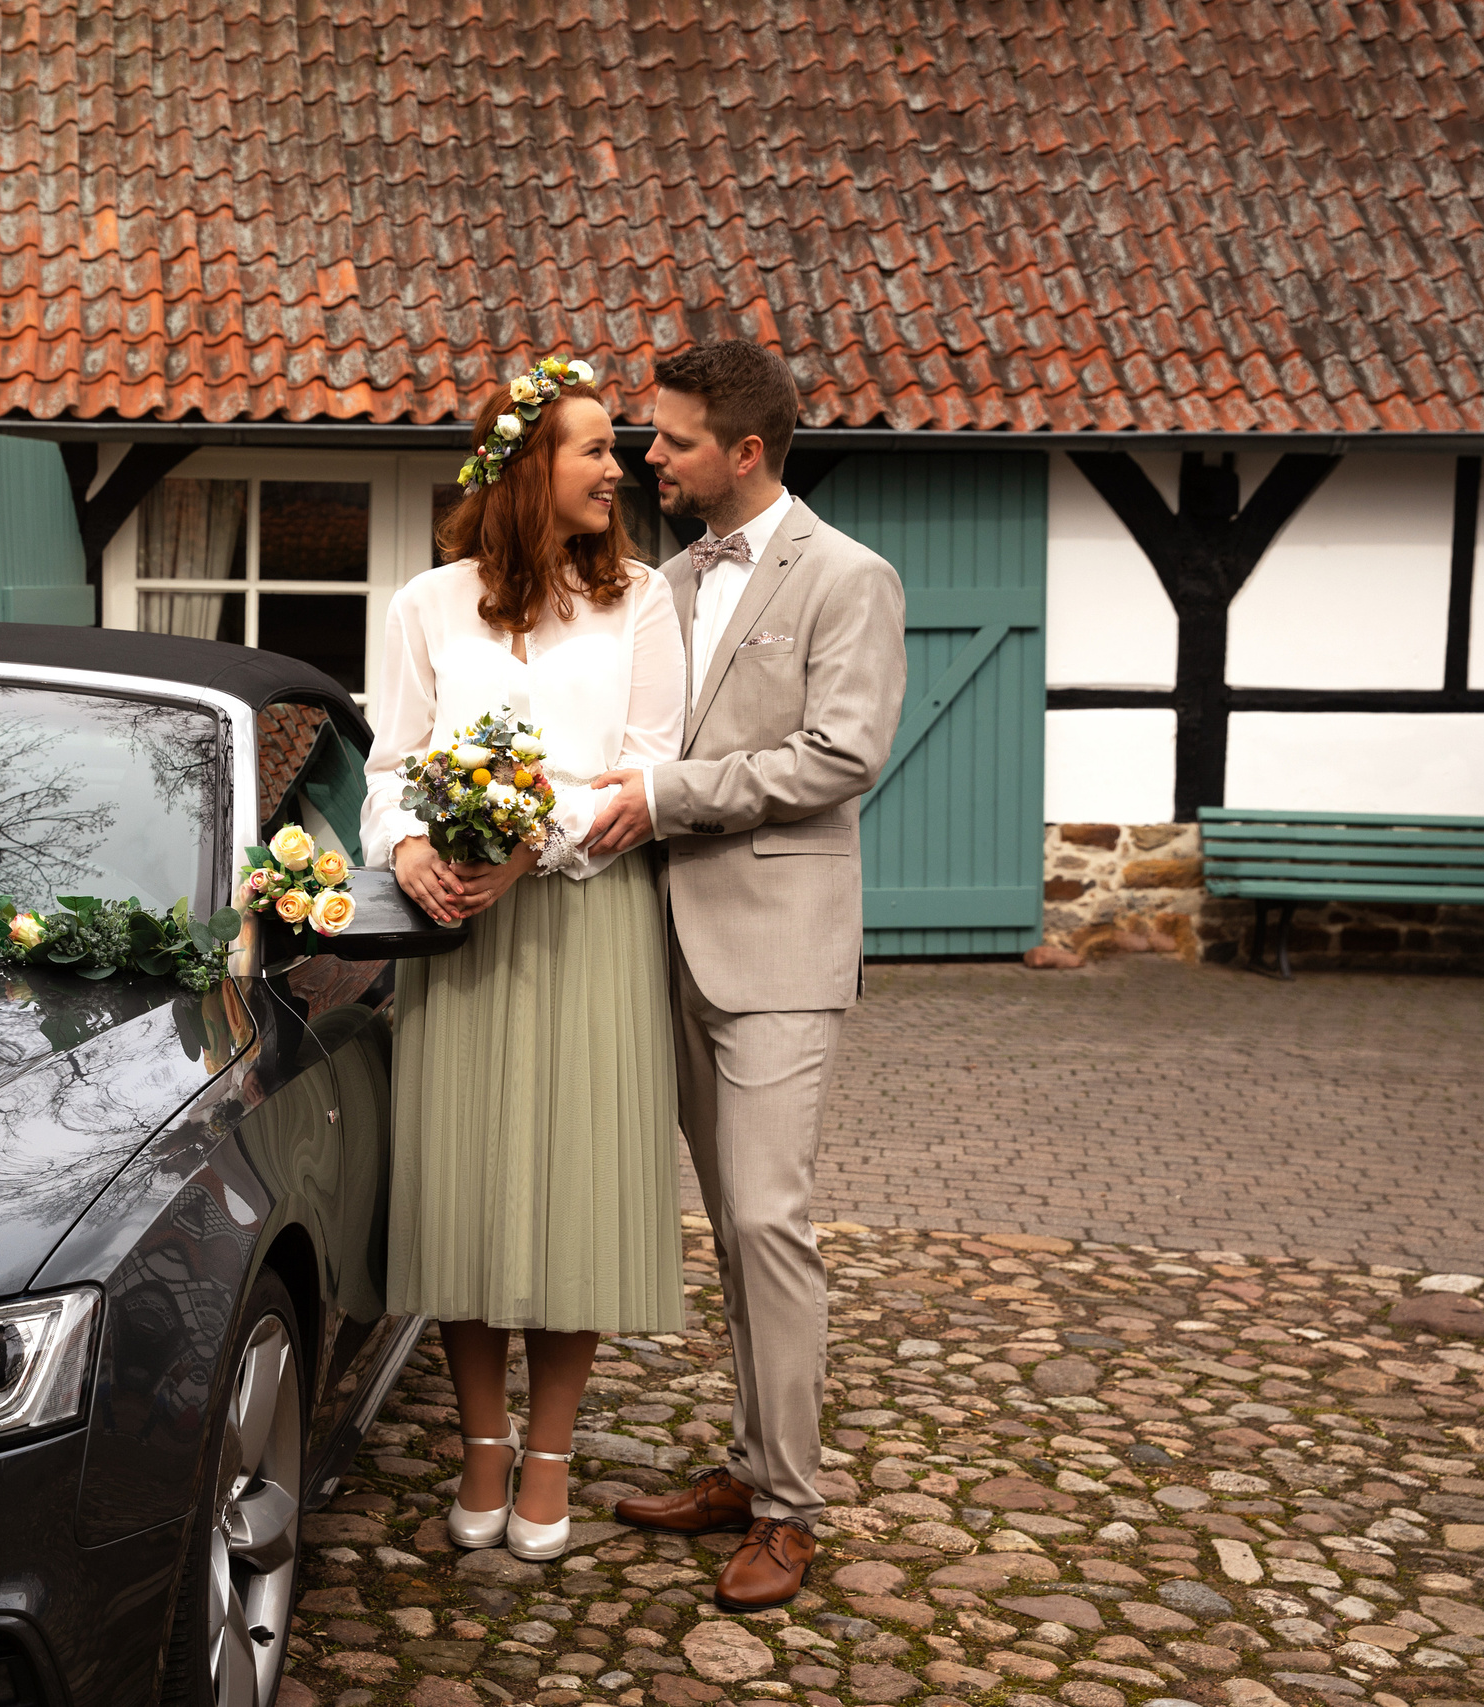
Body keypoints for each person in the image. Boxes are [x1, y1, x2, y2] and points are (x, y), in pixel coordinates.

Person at [583, 339, 907, 1609]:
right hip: (651, 942)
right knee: (725, 1227)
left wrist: (667, 796)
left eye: (669, 439)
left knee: (768, 1219)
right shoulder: (662, 580)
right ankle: (745, 1463)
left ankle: (788, 1508)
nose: (645, 455)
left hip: (775, 947)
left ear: (747, 451)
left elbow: (841, 755)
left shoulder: (850, 578)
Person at [361, 357, 686, 1562]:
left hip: (590, 916)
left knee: (575, 1190)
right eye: (596, 448)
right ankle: (481, 1445)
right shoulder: (426, 604)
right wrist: (405, 853)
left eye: (617, 449)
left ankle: (549, 1453)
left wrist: (525, 853)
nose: (620, 468)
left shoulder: (641, 601)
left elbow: (640, 773)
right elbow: (388, 765)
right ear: (523, 467)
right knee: (463, 1186)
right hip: (457, 927)